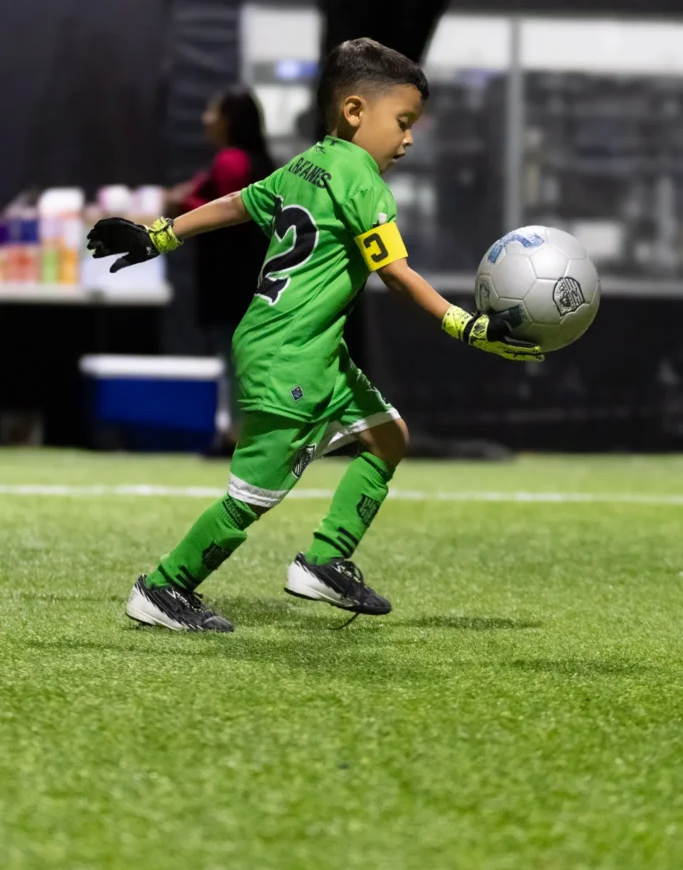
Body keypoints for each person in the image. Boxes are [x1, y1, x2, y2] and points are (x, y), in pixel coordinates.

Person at [87, 38, 542, 633]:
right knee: (252, 497)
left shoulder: (306, 165)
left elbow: (235, 203)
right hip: (290, 356)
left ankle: (325, 561)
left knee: (388, 437)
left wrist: (160, 235)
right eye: (403, 122)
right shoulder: (363, 182)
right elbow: (396, 274)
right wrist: (465, 324)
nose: (409, 139)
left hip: (307, 348)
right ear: (355, 111)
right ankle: (165, 586)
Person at [168, 87, 273, 450]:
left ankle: (237, 435)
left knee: (236, 359)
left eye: (213, 112)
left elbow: (226, 212)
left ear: (229, 120)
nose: (205, 119)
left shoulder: (232, 161)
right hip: (252, 278)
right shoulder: (256, 161)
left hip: (234, 281)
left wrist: (183, 205)